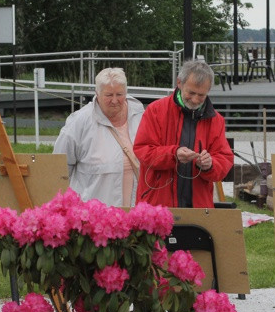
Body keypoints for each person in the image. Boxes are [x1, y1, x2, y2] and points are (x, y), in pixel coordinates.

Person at [133, 59, 233, 208]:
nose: (195, 99)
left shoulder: (216, 120)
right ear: (179, 83)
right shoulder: (156, 110)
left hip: (198, 206)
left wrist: (209, 164)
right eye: (191, 93)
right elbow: (142, 150)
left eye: (201, 95)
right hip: (157, 206)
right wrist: (174, 154)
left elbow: (224, 159)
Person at [53, 67, 144, 206]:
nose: (114, 100)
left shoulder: (140, 115)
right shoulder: (78, 122)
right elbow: (58, 169)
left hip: (135, 215)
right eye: (109, 95)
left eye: (119, 94)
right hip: (94, 218)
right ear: (97, 93)